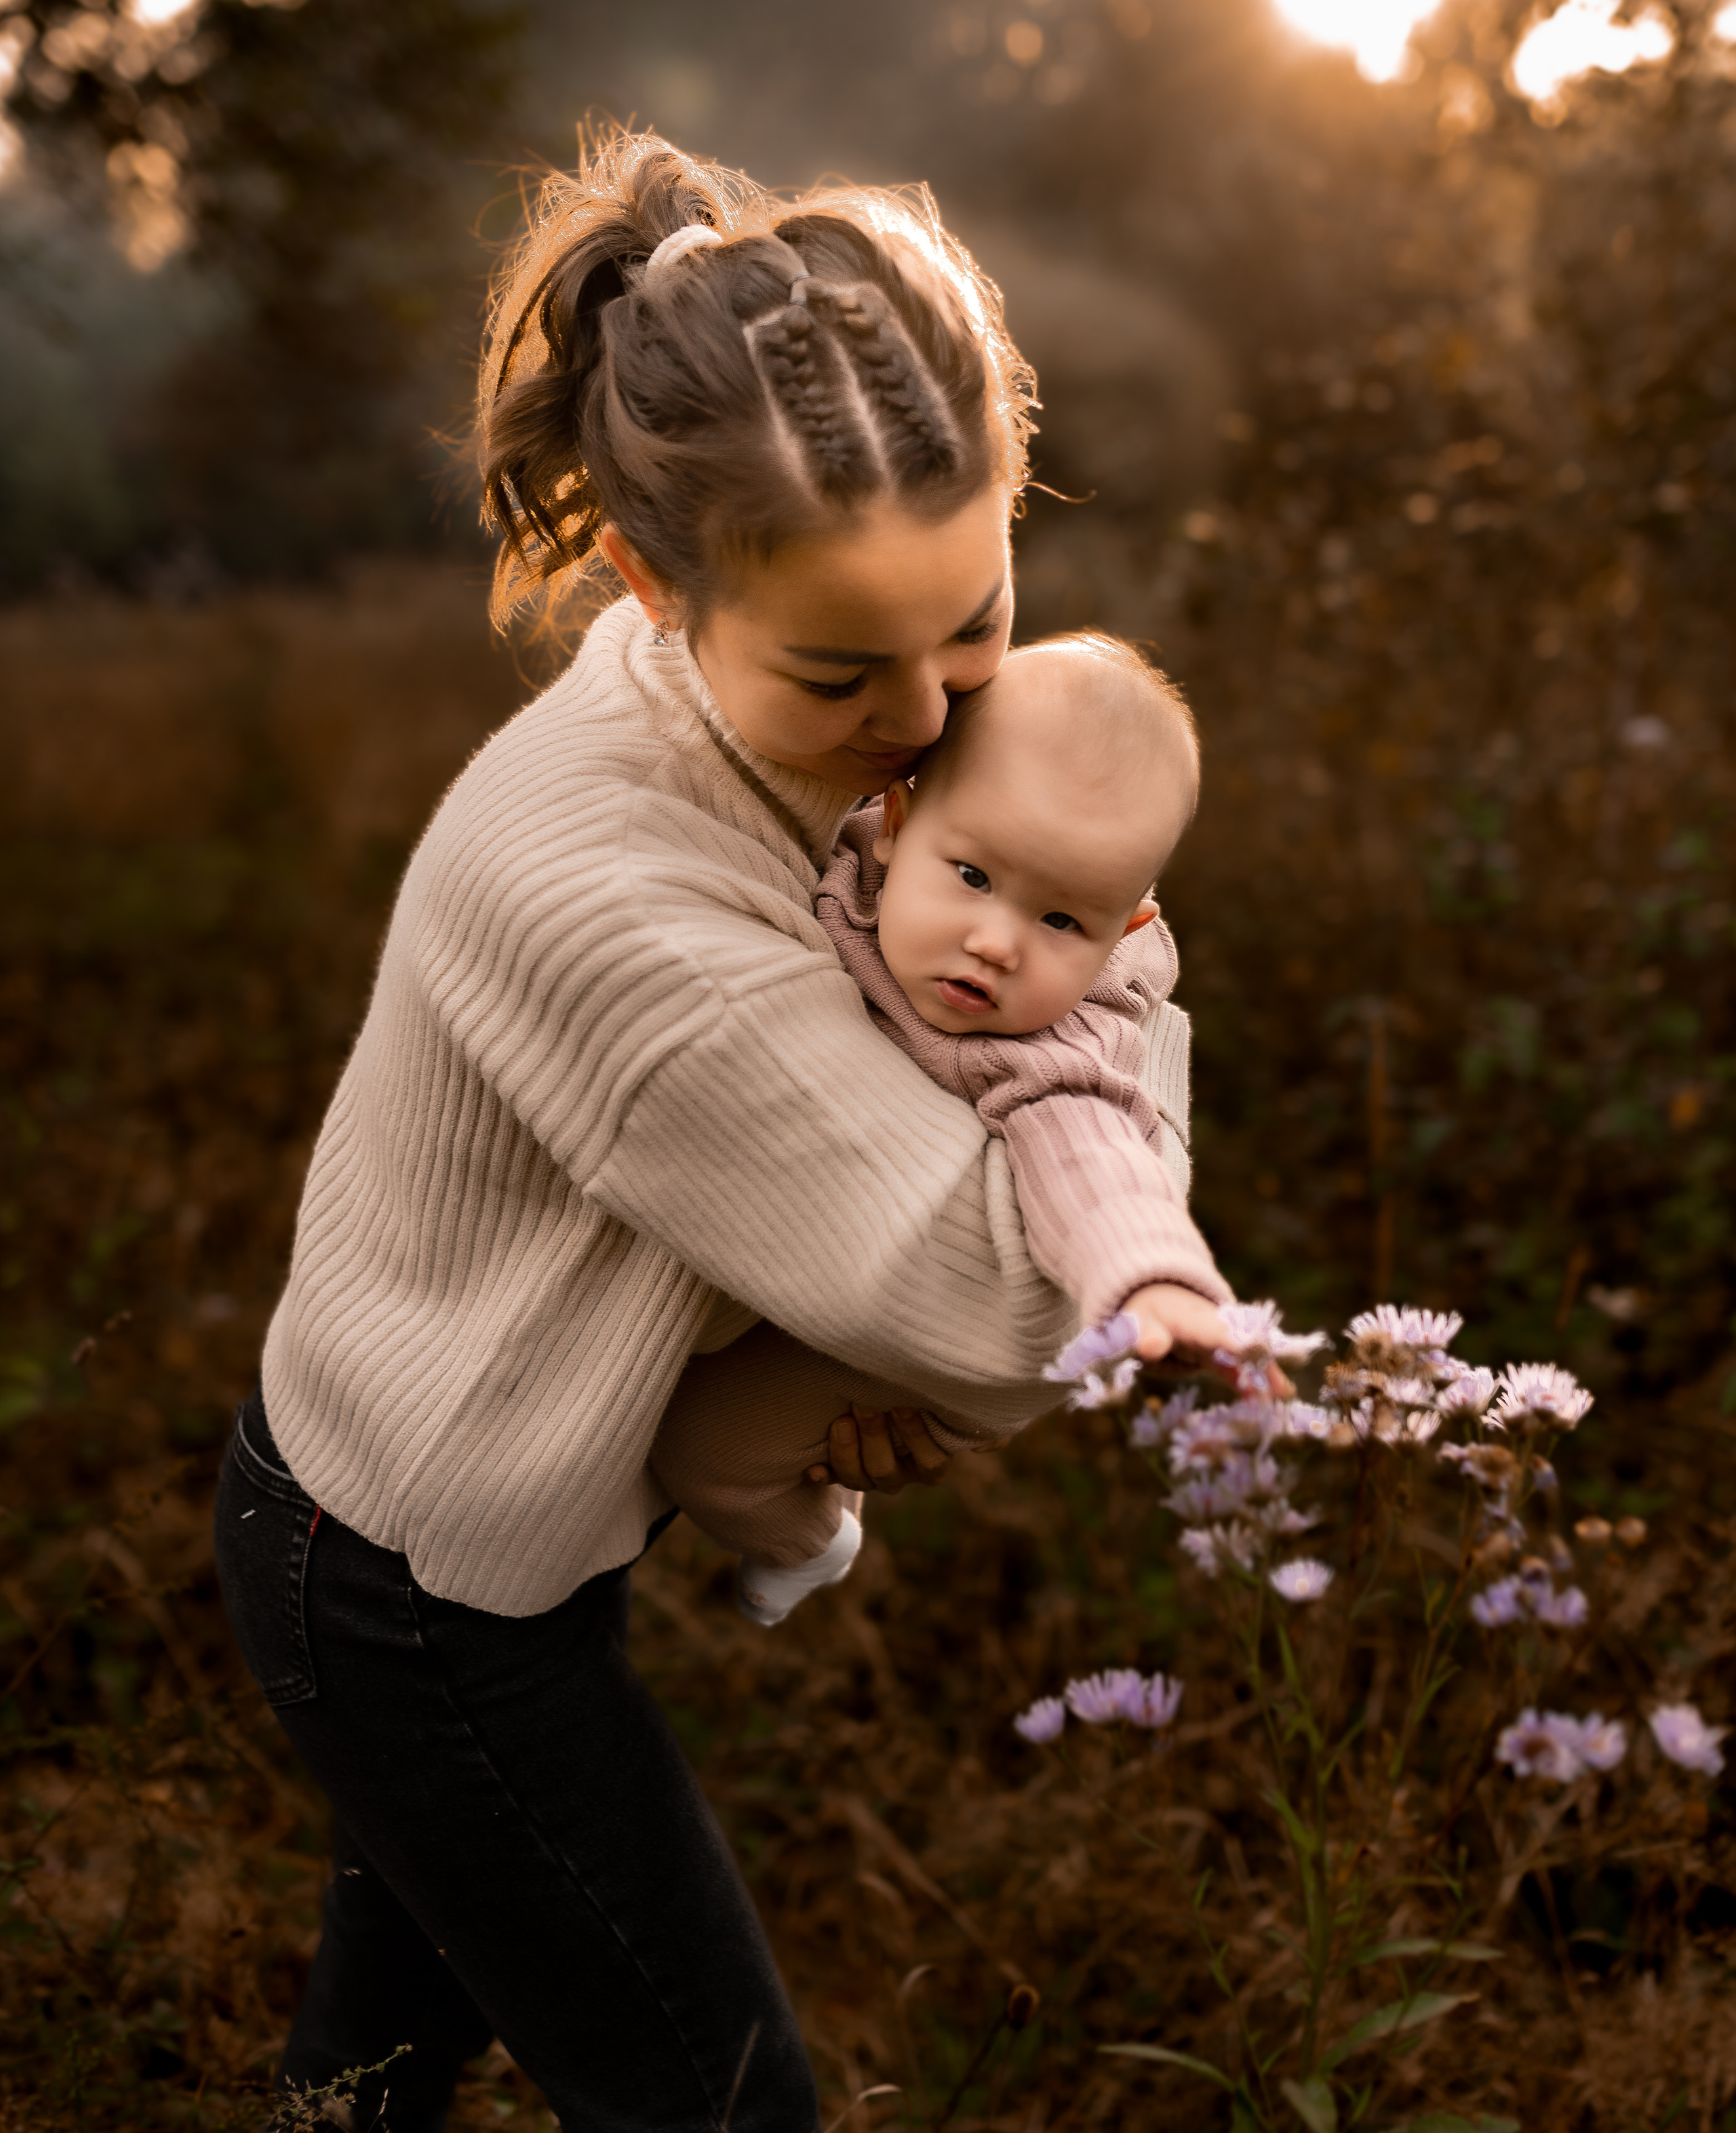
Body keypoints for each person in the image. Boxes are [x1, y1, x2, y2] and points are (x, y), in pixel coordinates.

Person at [213, 130, 1229, 2133]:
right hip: (414, 1579)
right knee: (722, 2102)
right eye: (848, 670)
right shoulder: (605, 894)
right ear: (649, 585)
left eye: (978, 620)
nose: (938, 722)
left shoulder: (797, 736)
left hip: (480, 1494)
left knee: (373, 2080)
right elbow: (1018, 1314)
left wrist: (817, 1344)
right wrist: (1124, 969)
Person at [651, 633, 1230, 1625]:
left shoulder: (1045, 1044)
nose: (997, 943)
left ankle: (810, 1543)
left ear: (1126, 930)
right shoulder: (832, 864)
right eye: (972, 876)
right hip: (819, 1245)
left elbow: (1093, 1158)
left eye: (1063, 924)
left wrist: (1153, 1281)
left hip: (959, 1330)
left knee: (706, 1450)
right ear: (896, 820)